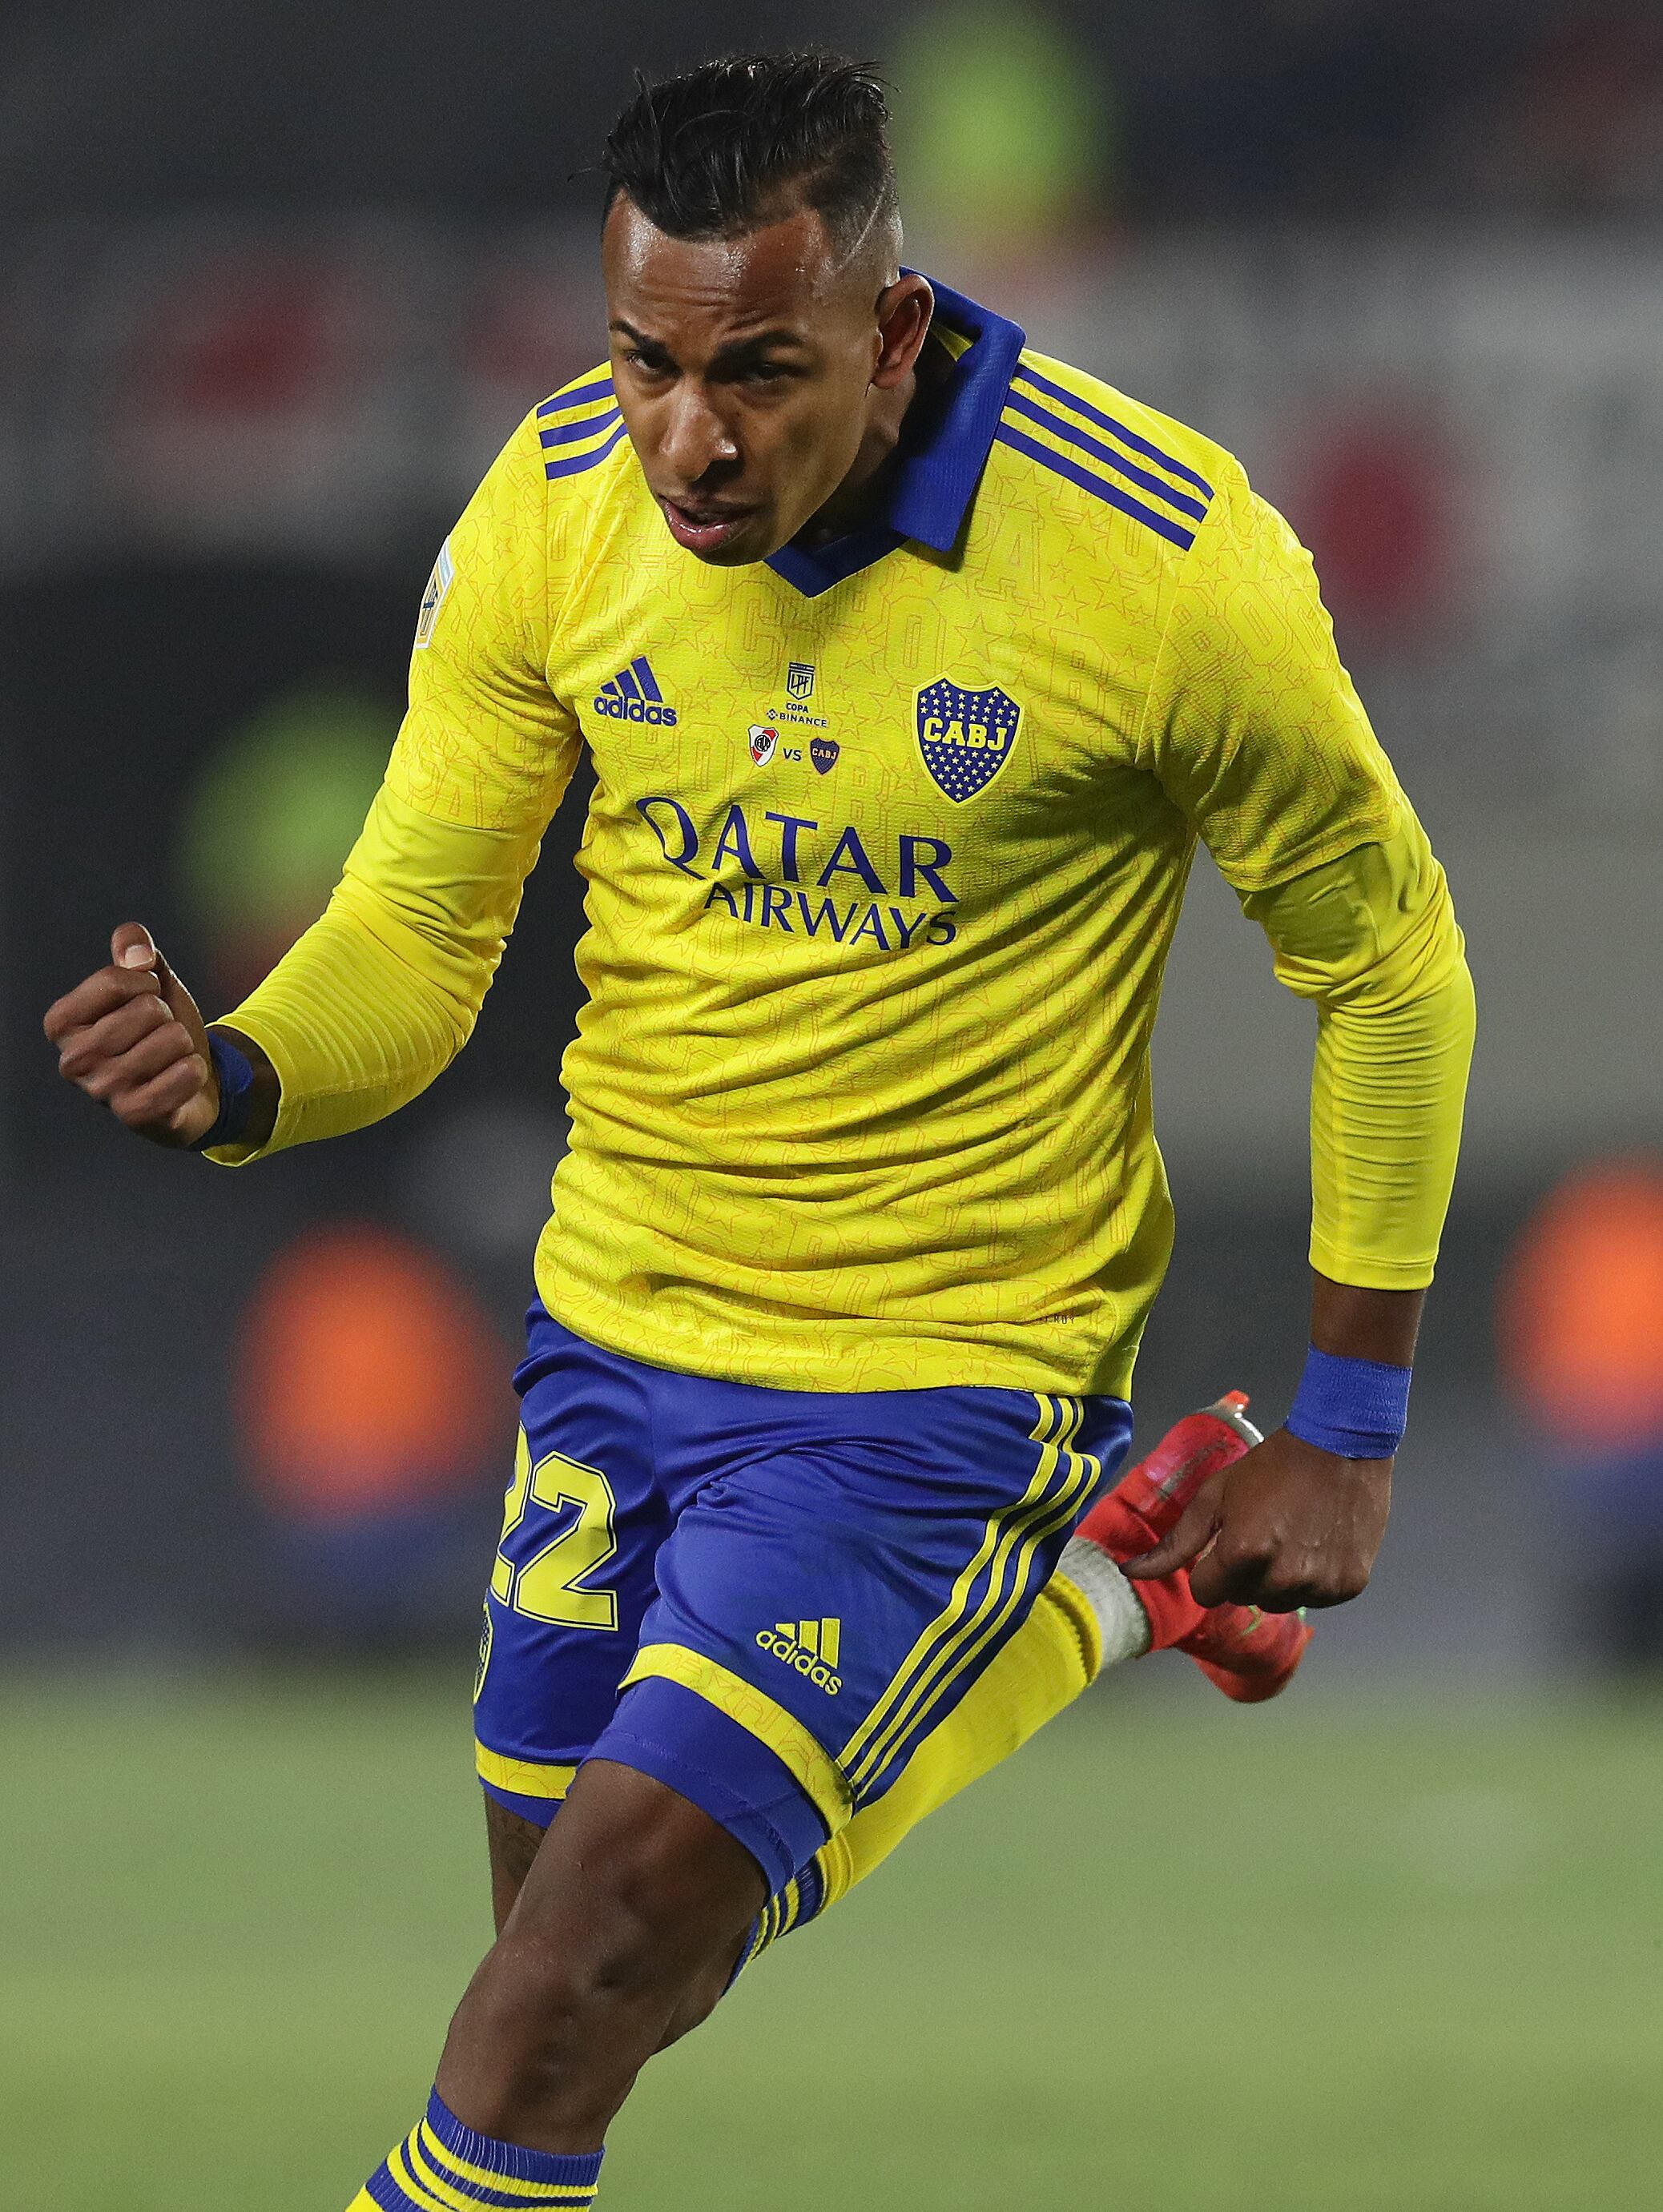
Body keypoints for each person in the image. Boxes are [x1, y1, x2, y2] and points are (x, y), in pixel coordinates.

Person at [42, 51, 1474, 2210]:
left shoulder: (1157, 563)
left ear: (890, 331)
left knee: (566, 1985)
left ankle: (1077, 1552)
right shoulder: (552, 505)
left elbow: (1389, 963)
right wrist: (247, 1068)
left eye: (759, 375)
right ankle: (1109, 1591)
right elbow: (418, 926)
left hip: (927, 1382)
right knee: (591, 1966)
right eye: (643, 364)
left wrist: (1352, 1425)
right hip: (611, 1336)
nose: (688, 440)